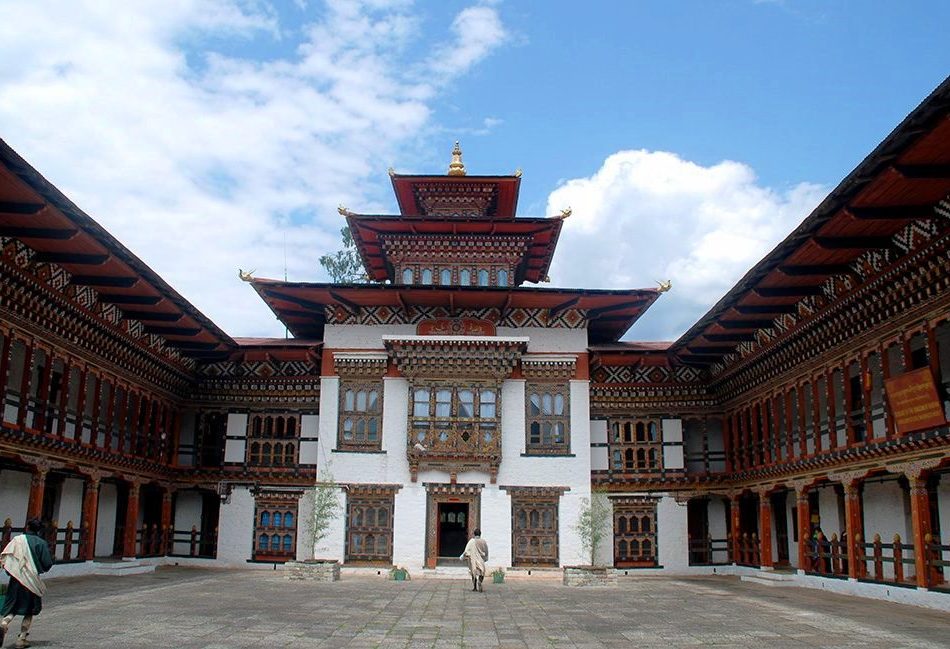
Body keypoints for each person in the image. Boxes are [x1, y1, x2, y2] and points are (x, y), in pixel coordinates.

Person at [0, 518, 54, 648]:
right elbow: (47, 563)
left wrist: (13, 571)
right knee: (29, 609)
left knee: (13, 605)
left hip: (16, 579)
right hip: (31, 580)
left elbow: (7, 557)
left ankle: (4, 623)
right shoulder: (41, 543)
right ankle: (22, 638)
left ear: (27, 527)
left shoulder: (17, 540)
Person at [461, 528, 488, 592]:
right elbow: (486, 551)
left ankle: (475, 587)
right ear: (480, 534)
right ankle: (480, 581)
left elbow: (466, 550)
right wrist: (486, 558)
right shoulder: (483, 541)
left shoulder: (472, 541)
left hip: (473, 559)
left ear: (474, 534)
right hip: (481, 559)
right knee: (482, 572)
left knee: (474, 573)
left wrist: (463, 556)